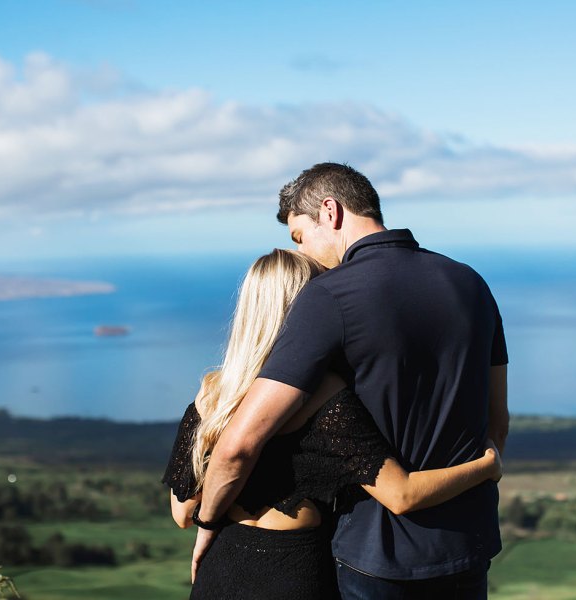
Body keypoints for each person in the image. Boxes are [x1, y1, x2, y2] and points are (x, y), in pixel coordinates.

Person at [193, 163, 510, 599]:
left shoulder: (330, 296)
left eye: (299, 237)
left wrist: (208, 522)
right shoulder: (471, 283)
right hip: (468, 545)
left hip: (376, 555)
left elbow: (240, 444)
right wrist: (485, 468)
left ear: (330, 211)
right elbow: (497, 424)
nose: (303, 255)